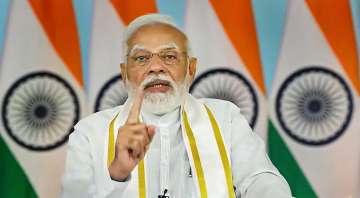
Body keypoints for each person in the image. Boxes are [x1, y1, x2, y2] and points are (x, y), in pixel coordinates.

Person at [61, 14, 292, 198]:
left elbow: (259, 179)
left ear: (191, 69)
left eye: (169, 56)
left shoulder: (225, 117)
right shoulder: (90, 132)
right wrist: (118, 173)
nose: (156, 68)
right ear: (124, 74)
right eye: (142, 58)